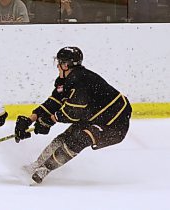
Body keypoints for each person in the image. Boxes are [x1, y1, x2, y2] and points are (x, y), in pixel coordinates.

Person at [14, 46, 132, 184]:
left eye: (59, 63)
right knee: (64, 137)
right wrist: (30, 119)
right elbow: (54, 103)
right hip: (94, 117)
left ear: (66, 65)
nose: (57, 66)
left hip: (114, 126)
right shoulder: (65, 80)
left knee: (79, 139)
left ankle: (45, 169)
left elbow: (72, 113)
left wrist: (50, 120)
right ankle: (37, 165)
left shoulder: (80, 81)